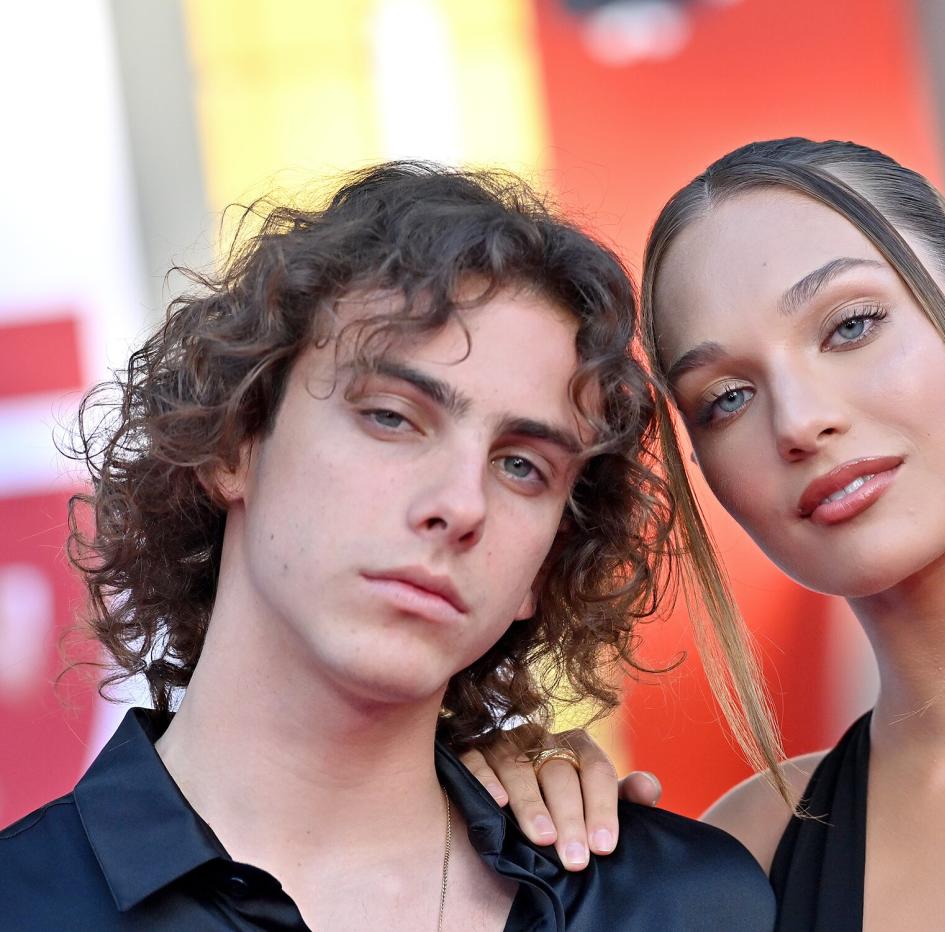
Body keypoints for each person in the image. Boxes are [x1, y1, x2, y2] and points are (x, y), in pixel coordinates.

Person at [465, 139, 945, 930]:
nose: (800, 422)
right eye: (727, 397)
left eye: (851, 326)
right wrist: (472, 828)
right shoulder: (743, 867)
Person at [0, 163, 776, 931]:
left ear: (544, 566)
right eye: (392, 417)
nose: (460, 504)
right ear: (234, 440)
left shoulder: (679, 905)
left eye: (522, 467)